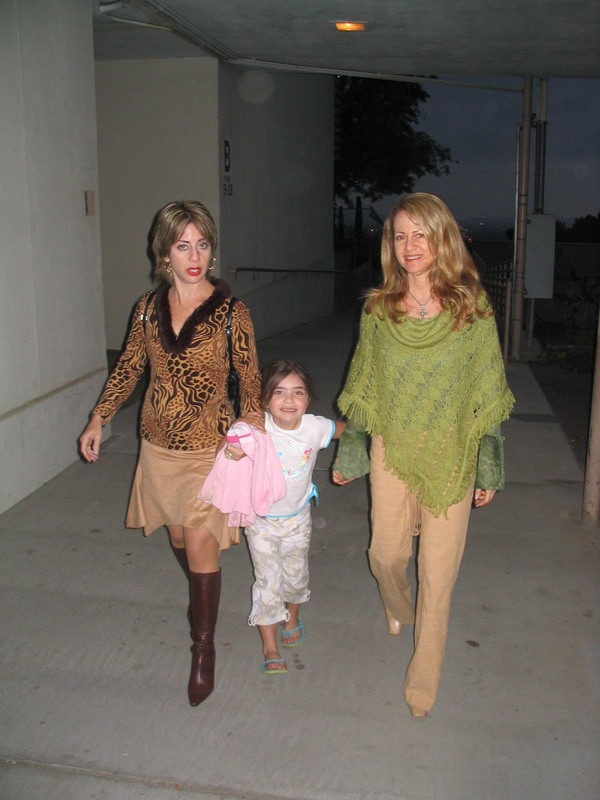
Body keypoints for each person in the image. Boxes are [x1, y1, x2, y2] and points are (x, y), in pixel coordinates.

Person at [332, 192, 514, 717]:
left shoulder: (472, 310)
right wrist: (351, 453)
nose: (409, 246)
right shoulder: (378, 310)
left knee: (438, 572)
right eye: (400, 236)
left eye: (420, 235)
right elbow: (364, 388)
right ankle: (397, 605)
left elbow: (486, 394)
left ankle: (423, 679)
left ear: (442, 239)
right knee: (385, 554)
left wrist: (489, 466)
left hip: (453, 453)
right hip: (392, 446)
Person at [78, 200, 262, 706]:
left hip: (212, 448)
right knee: (179, 537)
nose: (195, 256)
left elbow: (249, 380)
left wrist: (249, 430)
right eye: (183, 246)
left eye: (202, 244)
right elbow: (129, 368)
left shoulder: (231, 313)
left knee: (200, 541)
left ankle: (203, 647)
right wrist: (99, 417)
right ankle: (202, 598)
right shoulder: (146, 308)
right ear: (164, 254)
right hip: (159, 446)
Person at [225, 360, 345, 674]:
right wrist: (233, 449)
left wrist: (352, 458)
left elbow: (350, 431)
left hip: (298, 519)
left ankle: (292, 617)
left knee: (296, 576)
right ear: (265, 399)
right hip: (260, 521)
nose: (289, 400)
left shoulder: (315, 427)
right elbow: (232, 444)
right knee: (268, 581)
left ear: (309, 399)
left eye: (298, 392)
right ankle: (270, 645)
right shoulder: (256, 428)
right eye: (279, 392)